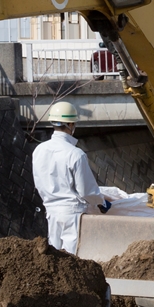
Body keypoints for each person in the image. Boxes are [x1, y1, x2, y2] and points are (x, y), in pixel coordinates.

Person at [31, 101, 110, 254]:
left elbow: (39, 183)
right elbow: (86, 190)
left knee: (53, 256)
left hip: (51, 211)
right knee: (72, 257)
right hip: (72, 213)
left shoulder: (39, 150)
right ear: (70, 124)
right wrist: (101, 202)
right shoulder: (76, 154)